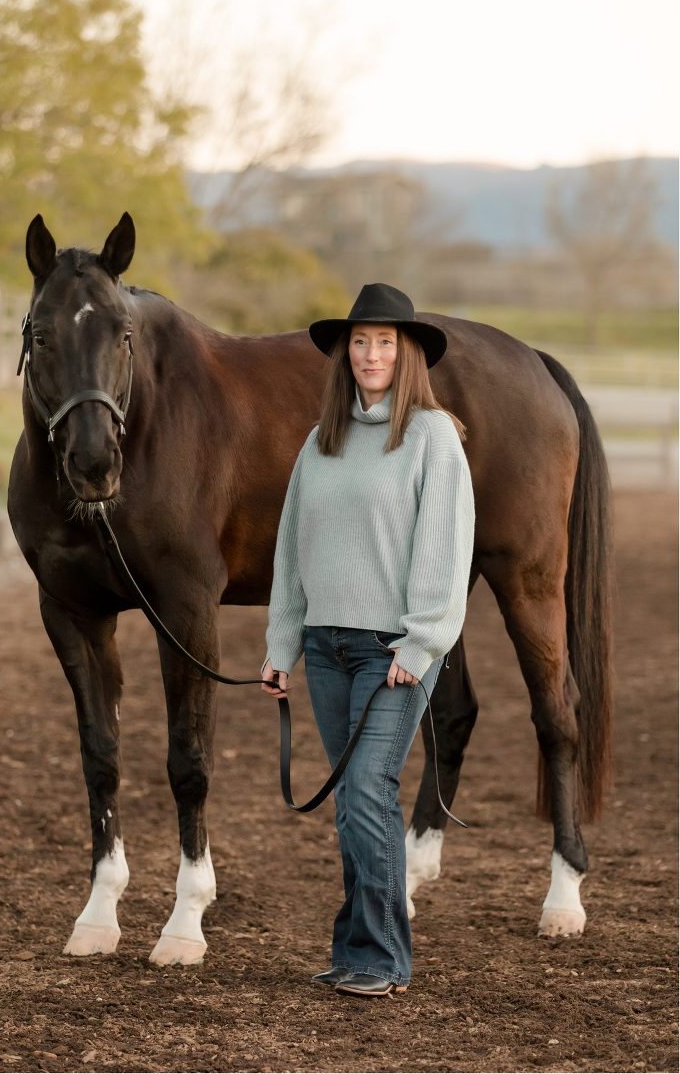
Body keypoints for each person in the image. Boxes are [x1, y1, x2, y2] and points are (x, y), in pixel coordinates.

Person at [261, 283, 475, 999]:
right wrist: (280, 644)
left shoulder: (431, 436)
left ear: (407, 352)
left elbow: (446, 549)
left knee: (365, 790)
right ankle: (355, 948)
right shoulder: (320, 442)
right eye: (360, 341)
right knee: (353, 803)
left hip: (395, 651)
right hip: (326, 647)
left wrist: (419, 647)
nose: (371, 353)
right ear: (344, 353)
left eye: (385, 341)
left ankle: (383, 957)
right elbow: (293, 549)